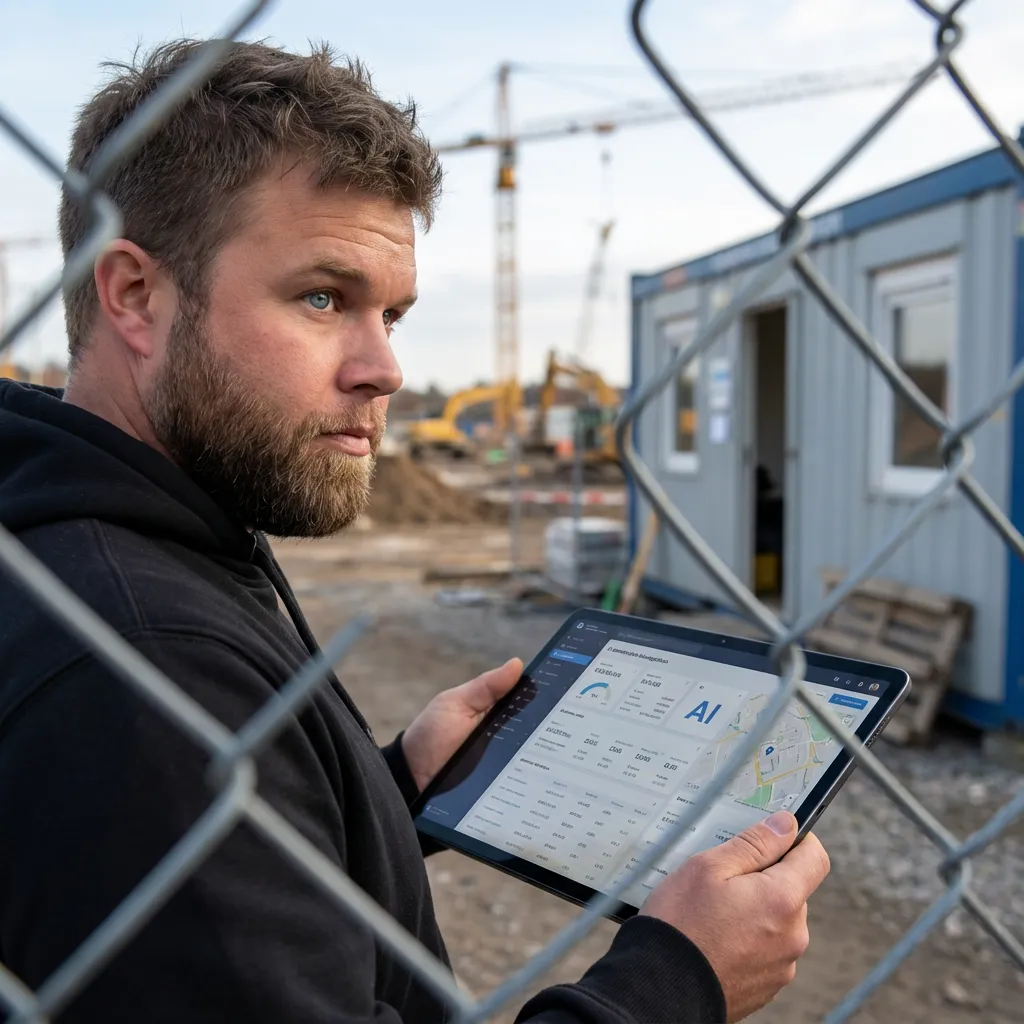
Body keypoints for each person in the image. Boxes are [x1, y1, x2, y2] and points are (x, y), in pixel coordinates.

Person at [0, 40, 830, 1023]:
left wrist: (386, 789)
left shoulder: (124, 539)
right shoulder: (145, 659)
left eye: (392, 313)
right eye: (323, 297)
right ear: (134, 293)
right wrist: (671, 983)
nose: (384, 367)